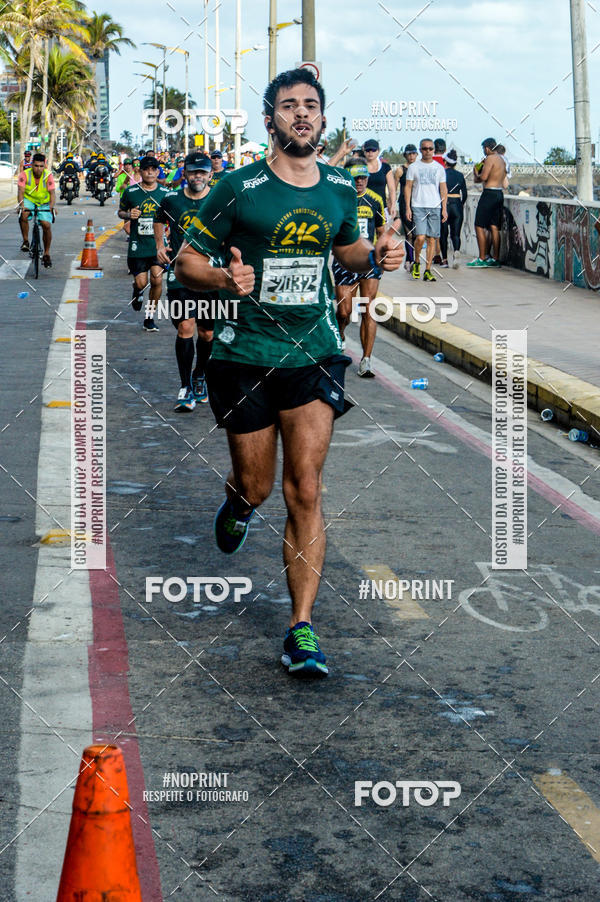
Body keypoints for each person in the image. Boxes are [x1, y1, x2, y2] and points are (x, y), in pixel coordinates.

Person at [175, 67, 403, 678]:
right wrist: (223, 278)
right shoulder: (236, 188)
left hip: (313, 351)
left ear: (323, 119)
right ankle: (238, 504)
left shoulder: (339, 188)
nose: (300, 114)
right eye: (288, 106)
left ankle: (302, 626)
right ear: (270, 119)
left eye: (310, 106)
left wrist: (378, 253)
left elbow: (348, 250)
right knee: (259, 486)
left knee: (305, 486)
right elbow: (185, 262)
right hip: (244, 355)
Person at [154, 152, 215, 411]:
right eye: (193, 172)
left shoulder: (219, 199)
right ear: (185, 174)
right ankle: (185, 387)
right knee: (185, 327)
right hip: (180, 275)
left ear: (210, 174)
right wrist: (160, 244)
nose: (197, 176)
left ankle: (200, 374)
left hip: (211, 276)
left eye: (202, 172)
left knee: (207, 333)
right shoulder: (172, 200)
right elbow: (159, 219)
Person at [333, 160, 387, 378]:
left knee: (369, 309)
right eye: (356, 178)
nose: (361, 182)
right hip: (344, 259)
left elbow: (382, 229)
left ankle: (366, 359)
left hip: (369, 260)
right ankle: (341, 334)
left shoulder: (375, 200)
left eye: (364, 178)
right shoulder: (338, 199)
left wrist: (384, 251)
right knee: (344, 311)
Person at [118, 156, 170, 331]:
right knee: (141, 283)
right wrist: (128, 215)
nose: (150, 172)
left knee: (157, 280)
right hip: (137, 246)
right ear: (140, 172)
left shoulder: (165, 194)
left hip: (157, 247)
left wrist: (168, 233)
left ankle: (149, 317)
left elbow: (172, 218)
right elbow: (120, 212)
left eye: (153, 169)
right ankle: (136, 289)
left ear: (157, 172)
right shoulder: (131, 192)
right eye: (146, 169)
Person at [404, 138, 447, 282]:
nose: (427, 151)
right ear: (420, 150)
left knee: (432, 239)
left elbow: (443, 188)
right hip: (418, 205)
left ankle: (428, 270)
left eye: (430, 148)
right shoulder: (413, 167)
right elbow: (408, 187)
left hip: (435, 206)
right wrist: (408, 207)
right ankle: (417, 262)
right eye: (424, 148)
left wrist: (444, 208)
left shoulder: (439, 168)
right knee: (420, 237)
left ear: (434, 150)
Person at [467, 137, 507, 267]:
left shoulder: (490, 159)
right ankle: (495, 259)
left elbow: (483, 178)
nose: (484, 152)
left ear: (487, 148)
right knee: (494, 227)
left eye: (483, 149)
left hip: (489, 193)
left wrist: (475, 173)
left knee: (479, 225)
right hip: (499, 193)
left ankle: (482, 258)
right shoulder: (502, 160)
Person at [17, 152, 56, 266]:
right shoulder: (24, 174)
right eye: (36, 166)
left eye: (41, 166)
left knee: (46, 225)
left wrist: (51, 206)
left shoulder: (48, 175)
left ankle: (47, 254)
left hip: (43, 202)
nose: (38, 169)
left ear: (44, 166)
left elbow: (52, 194)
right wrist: (21, 205)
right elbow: (20, 192)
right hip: (29, 200)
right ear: (32, 165)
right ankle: (25, 241)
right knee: (23, 214)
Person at [439, 149, 467, 268]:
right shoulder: (460, 175)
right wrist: (460, 204)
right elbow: (464, 194)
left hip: (444, 204)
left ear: (445, 162)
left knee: (443, 234)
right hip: (457, 205)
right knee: (456, 234)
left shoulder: (441, 174)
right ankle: (456, 252)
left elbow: (437, 191)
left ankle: (445, 260)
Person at [394, 143, 418, 270]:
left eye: (414, 153)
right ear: (405, 155)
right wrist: (391, 205)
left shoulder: (420, 169)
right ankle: (410, 259)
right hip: (404, 203)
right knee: (409, 233)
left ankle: (413, 258)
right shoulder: (400, 170)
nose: (412, 156)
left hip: (418, 204)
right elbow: (394, 188)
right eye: (409, 154)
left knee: (417, 234)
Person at [363, 139, 396, 219]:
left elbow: (392, 188)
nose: (370, 153)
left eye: (373, 150)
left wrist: (393, 205)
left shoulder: (385, 167)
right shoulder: (360, 167)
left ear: (378, 151)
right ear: (364, 151)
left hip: (381, 207)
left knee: (382, 231)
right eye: (368, 150)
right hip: (363, 208)